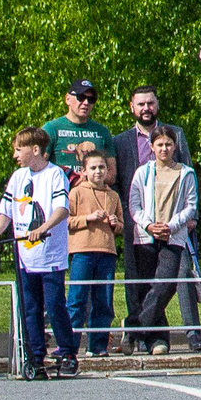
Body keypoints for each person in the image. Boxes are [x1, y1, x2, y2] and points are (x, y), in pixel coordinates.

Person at [112, 88, 201, 351]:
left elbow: (189, 184)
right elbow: (122, 186)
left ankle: (138, 331)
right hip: (138, 225)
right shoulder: (120, 141)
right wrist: (138, 221)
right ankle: (153, 340)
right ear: (132, 107)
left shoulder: (176, 134)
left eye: (150, 103)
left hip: (173, 227)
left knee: (167, 282)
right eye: (141, 104)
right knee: (139, 283)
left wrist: (183, 221)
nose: (146, 108)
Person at [0, 128, 73, 379]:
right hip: (25, 257)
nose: (15, 155)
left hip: (50, 255)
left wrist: (42, 228)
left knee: (54, 305)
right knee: (30, 308)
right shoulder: (18, 177)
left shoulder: (55, 175)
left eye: (18, 149)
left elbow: (62, 208)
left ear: (34, 150)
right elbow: (6, 211)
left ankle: (68, 352)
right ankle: (35, 356)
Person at [126, 127, 198, 356]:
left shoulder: (186, 173)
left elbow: (191, 206)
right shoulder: (142, 172)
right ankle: (158, 339)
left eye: (168, 144)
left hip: (172, 236)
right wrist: (149, 225)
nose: (164, 149)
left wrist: (171, 225)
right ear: (152, 147)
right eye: (159, 144)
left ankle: (133, 329)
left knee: (165, 285)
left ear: (174, 146)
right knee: (148, 287)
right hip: (146, 237)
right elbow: (134, 205)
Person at [64, 147, 125, 357]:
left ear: (107, 170)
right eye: (93, 168)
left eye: (101, 167)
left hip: (107, 251)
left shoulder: (113, 195)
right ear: (84, 171)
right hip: (83, 251)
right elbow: (66, 221)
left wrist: (116, 224)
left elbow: (121, 226)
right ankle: (69, 346)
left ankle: (97, 345)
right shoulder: (76, 193)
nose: (98, 172)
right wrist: (87, 219)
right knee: (77, 299)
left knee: (104, 300)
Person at [43, 79, 114, 182]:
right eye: (81, 97)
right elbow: (39, 166)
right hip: (62, 192)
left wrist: (90, 179)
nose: (86, 103)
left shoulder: (102, 132)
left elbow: (112, 174)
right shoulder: (51, 128)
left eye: (91, 99)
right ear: (67, 99)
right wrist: (72, 179)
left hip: (93, 194)